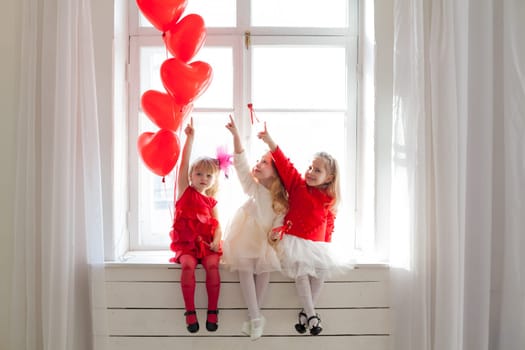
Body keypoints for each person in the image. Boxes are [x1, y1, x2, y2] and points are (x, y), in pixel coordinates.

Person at [258, 122, 341, 336]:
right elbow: (284, 164)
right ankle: (312, 315)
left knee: (321, 272)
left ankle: (306, 314)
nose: (311, 172)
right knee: (302, 273)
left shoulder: (328, 199)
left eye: (318, 170)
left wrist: (326, 246)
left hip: (317, 245)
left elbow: (329, 225)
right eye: (310, 167)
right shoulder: (297, 185)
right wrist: (269, 140)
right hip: (295, 240)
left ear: (329, 178)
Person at [222, 115, 288, 340]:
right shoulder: (253, 186)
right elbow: (241, 164)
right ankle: (256, 316)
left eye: (264, 162)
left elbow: (280, 219)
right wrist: (236, 136)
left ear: (277, 172)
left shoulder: (280, 198)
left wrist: (276, 233)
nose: (258, 164)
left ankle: (254, 317)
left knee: (265, 271)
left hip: (266, 239)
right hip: (246, 235)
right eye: (258, 161)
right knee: (246, 268)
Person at [169, 118, 223, 334]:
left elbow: (217, 225)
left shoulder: (211, 201)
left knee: (212, 266)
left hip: (207, 244)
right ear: (191, 176)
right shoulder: (184, 191)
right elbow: (183, 163)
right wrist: (190, 138)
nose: (203, 178)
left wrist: (217, 240)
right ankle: (190, 312)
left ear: (214, 179)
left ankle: (213, 310)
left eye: (209, 175)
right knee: (188, 266)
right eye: (199, 173)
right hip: (187, 245)